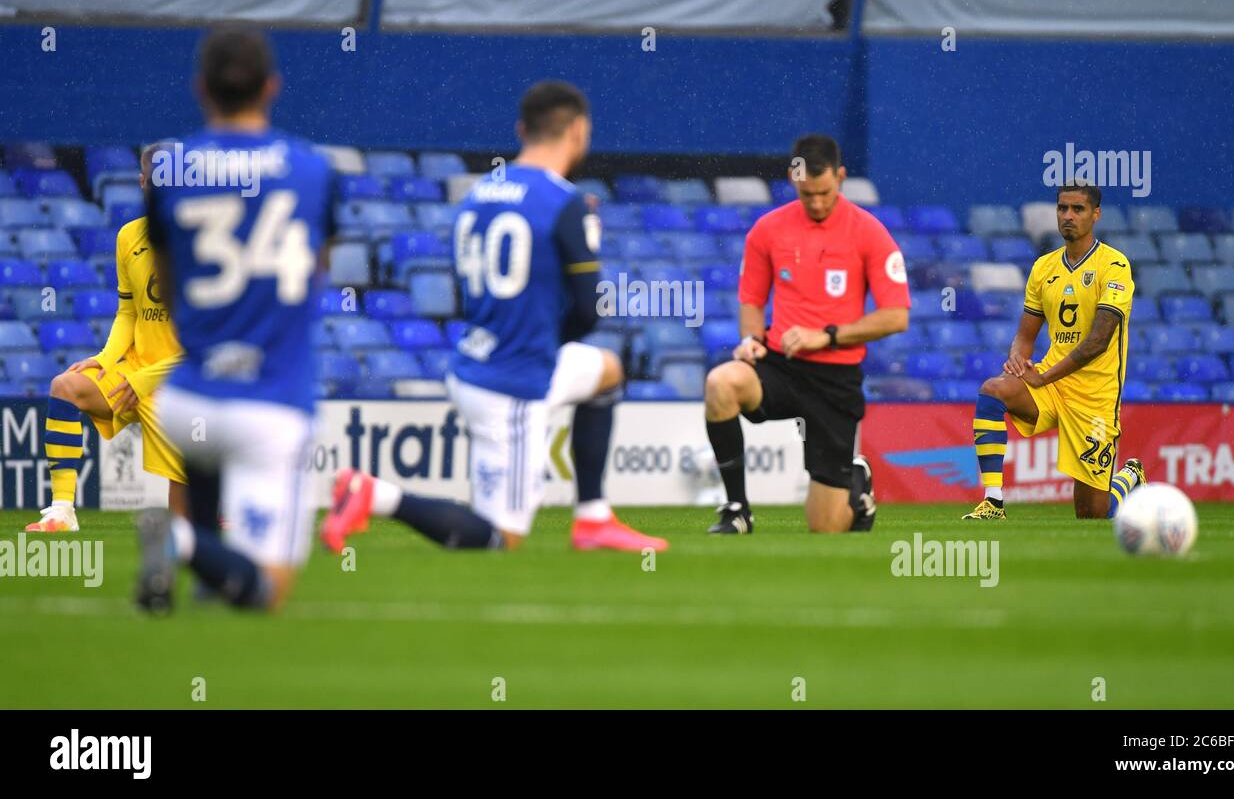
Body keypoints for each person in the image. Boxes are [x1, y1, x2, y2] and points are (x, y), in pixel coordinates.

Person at [322, 81, 667, 553]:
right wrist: (545, 343)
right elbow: (588, 309)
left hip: (477, 361)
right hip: (515, 386)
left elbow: (463, 292)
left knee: (607, 370)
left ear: (522, 130)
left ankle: (592, 518)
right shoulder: (567, 201)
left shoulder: (480, 194)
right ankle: (374, 494)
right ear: (579, 131)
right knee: (500, 539)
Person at [135, 26, 334, 612]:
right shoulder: (312, 168)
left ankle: (196, 554)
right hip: (271, 400)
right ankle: (182, 539)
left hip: (189, 396)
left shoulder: (172, 171)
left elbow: (167, 280)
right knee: (267, 591)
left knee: (204, 463)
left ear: (200, 89)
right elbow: (314, 271)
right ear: (273, 87)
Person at [702, 134, 910, 534]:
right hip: (780, 365)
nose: (815, 202)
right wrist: (750, 340)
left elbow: (896, 316)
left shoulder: (869, 232)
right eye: (806, 193)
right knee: (721, 382)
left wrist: (827, 336)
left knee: (825, 527)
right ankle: (736, 510)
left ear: (842, 177)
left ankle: (856, 487)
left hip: (835, 378)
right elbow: (751, 300)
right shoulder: (768, 229)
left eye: (824, 192)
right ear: (792, 179)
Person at [26, 144, 187, 532]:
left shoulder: (207, 243)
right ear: (143, 184)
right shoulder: (129, 237)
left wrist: (145, 380)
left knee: (182, 526)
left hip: (181, 380)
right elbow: (129, 311)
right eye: (157, 181)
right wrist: (107, 357)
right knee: (66, 386)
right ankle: (63, 511)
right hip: (132, 371)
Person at [963, 181, 1145, 520]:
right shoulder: (1044, 268)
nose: (1068, 216)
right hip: (1052, 387)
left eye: (1078, 209)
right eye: (1062, 208)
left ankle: (1129, 477)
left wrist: (1044, 376)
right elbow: (1025, 333)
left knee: (1092, 515)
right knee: (993, 391)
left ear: (1096, 215)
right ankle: (993, 502)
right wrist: (1017, 360)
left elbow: (1097, 342)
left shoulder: (1114, 266)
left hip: (1095, 397)